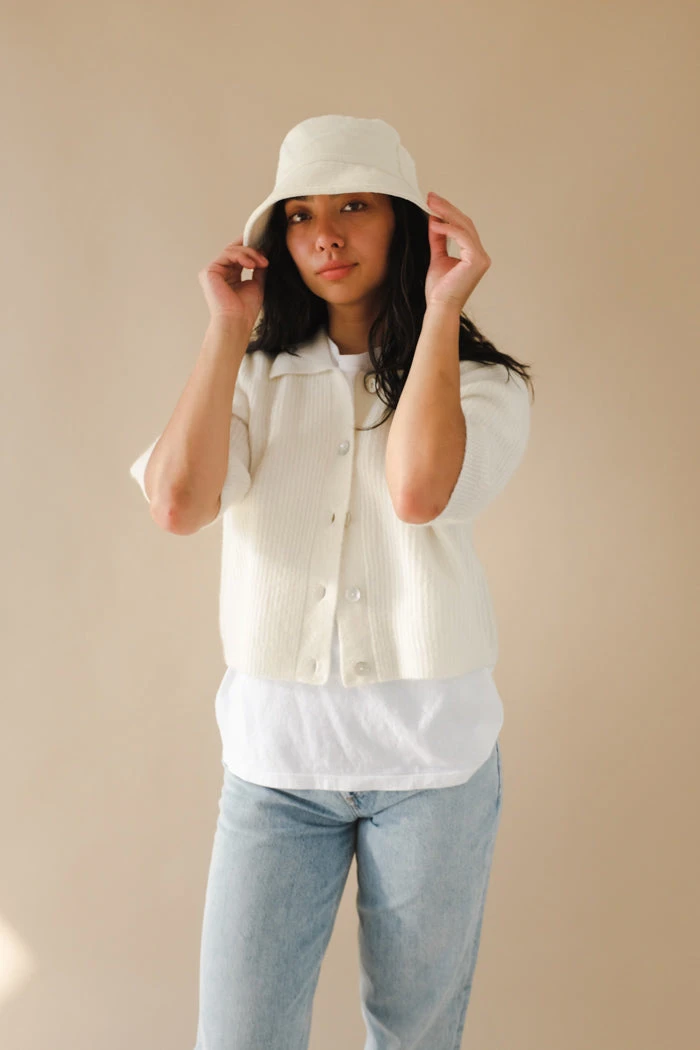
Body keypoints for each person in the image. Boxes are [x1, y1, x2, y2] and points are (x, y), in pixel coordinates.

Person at [129, 114, 534, 1050]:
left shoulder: (483, 386)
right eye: (301, 214)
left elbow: (419, 493)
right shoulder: (250, 378)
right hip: (277, 768)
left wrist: (441, 310)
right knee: (241, 1035)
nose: (325, 235)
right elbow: (177, 504)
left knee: (414, 1036)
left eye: (354, 206)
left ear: (403, 224)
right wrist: (226, 329)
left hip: (432, 767)